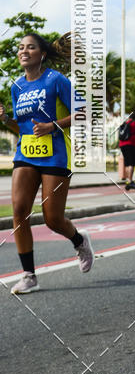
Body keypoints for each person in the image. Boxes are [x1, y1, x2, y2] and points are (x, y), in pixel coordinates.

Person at [0, 33, 94, 294]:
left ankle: (79, 240)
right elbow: (22, 128)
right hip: (25, 154)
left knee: (53, 219)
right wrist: (6, 118)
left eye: (30, 47)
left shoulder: (56, 80)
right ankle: (29, 275)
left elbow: (83, 111)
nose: (24, 51)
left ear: (41, 54)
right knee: (19, 212)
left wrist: (53, 125)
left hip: (55, 155)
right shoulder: (16, 86)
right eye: (21, 48)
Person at [118, 110, 135, 191]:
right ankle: (130, 180)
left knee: (127, 164)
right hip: (131, 145)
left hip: (122, 145)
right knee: (132, 163)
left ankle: (128, 181)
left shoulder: (124, 124)